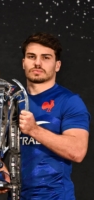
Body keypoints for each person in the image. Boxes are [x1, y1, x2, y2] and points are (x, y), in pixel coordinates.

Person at [18, 32, 90, 199]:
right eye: (31, 56)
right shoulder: (11, 100)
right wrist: (0, 170)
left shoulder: (70, 101)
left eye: (46, 57)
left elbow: (77, 151)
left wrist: (34, 130)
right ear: (23, 63)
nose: (37, 63)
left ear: (57, 65)